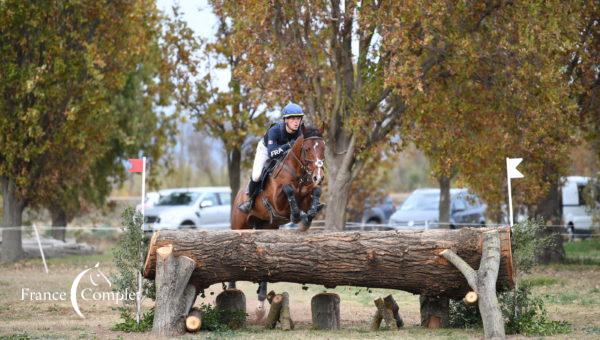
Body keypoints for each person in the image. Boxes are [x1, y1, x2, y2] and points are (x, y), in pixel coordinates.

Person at [238, 102, 304, 213]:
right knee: (256, 175)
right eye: (292, 118)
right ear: (285, 120)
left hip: (286, 152)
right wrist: (288, 146)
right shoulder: (274, 131)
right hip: (266, 149)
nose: (296, 121)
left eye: (298, 118)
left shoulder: (301, 131)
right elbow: (271, 153)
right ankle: (250, 201)